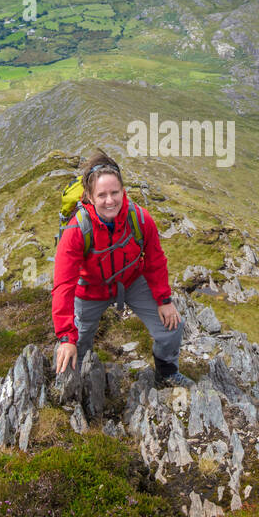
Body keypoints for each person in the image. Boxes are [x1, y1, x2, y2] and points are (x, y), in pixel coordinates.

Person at [51, 151, 193, 388]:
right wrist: (66, 336)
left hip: (131, 281)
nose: (110, 201)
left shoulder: (140, 218)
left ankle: (166, 373)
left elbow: (155, 260)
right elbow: (63, 285)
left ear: (123, 190)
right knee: (76, 347)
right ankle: (70, 391)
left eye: (115, 193)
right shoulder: (77, 230)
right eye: (102, 195)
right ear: (89, 196)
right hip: (89, 292)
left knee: (172, 328)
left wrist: (163, 300)